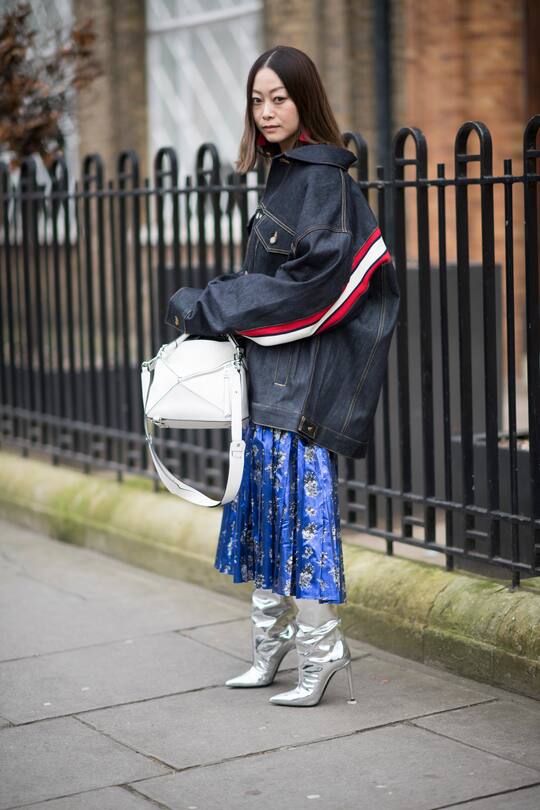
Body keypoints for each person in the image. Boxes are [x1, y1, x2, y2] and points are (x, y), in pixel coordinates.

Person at [165, 45, 400, 707]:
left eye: (280, 99)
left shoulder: (322, 179)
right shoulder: (284, 174)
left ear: (305, 102)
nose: (267, 112)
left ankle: (322, 655)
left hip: (298, 386)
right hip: (270, 377)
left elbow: (315, 285)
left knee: (301, 518)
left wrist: (212, 304)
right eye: (258, 100)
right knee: (264, 515)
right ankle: (270, 651)